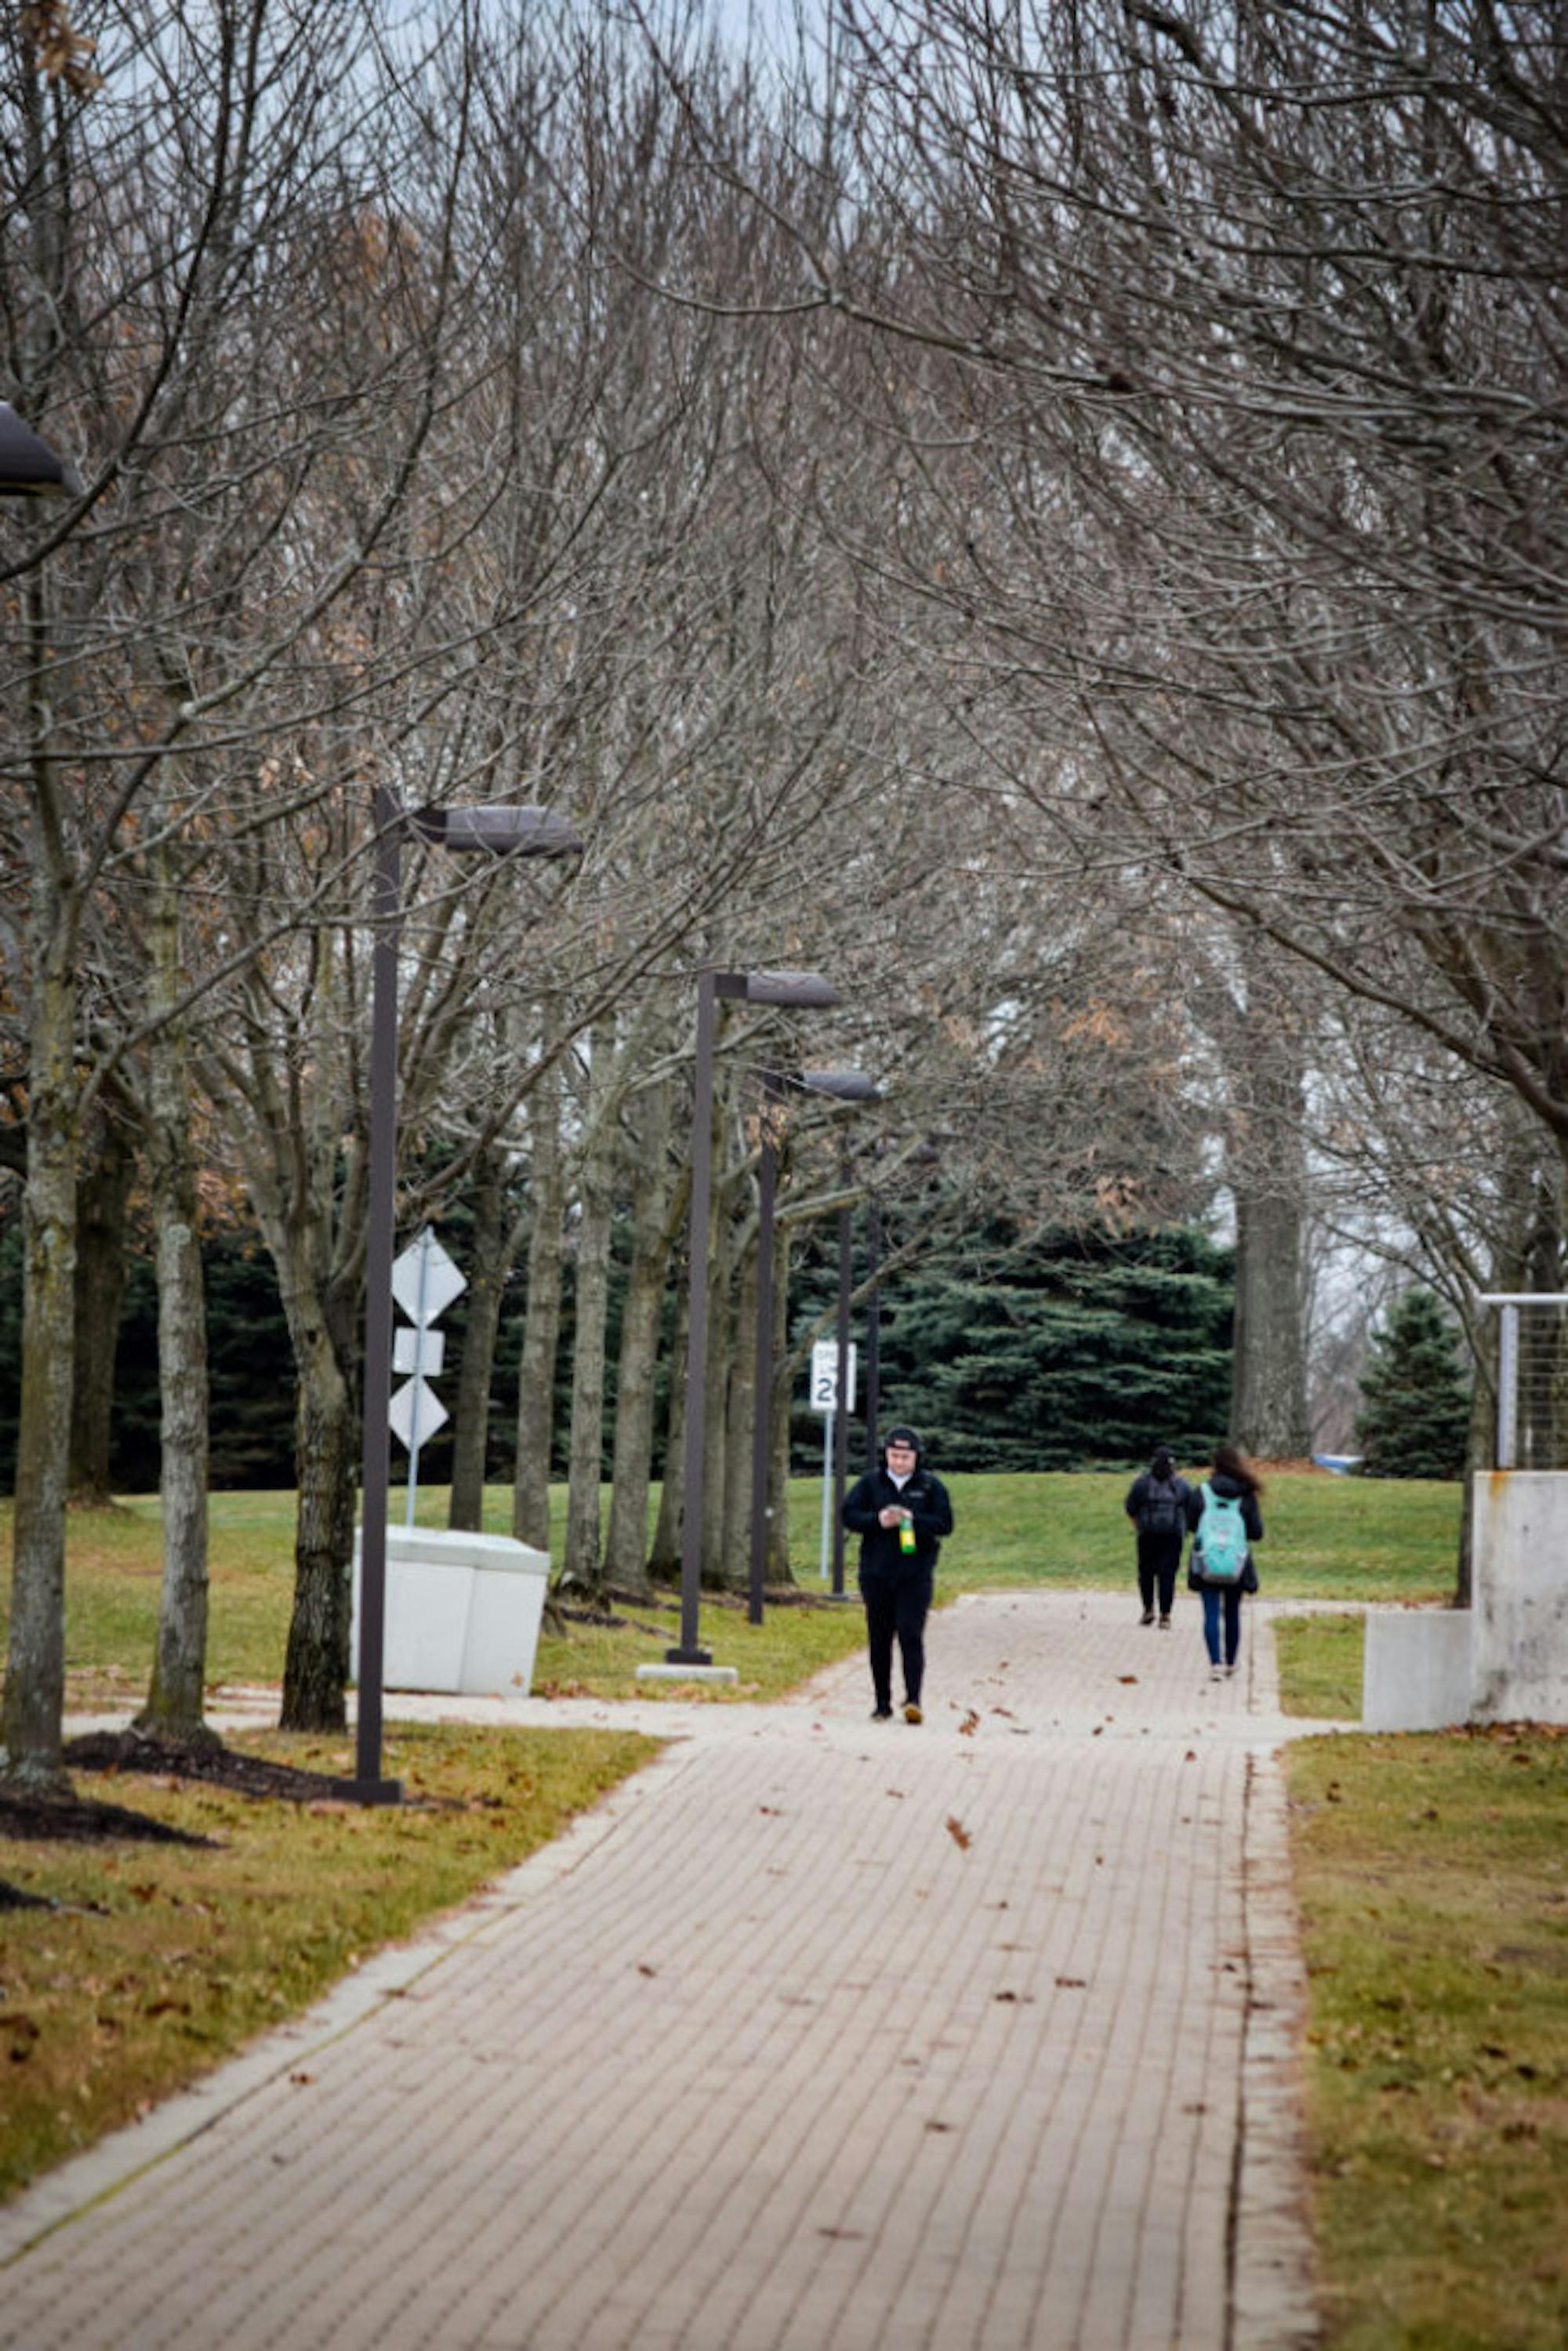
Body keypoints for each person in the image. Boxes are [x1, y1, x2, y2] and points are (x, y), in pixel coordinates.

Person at [842, 1424, 953, 1724]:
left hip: (914, 1573)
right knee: (879, 1637)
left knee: (910, 1633)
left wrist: (912, 1520)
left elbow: (945, 1523)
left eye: (905, 1456)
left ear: (916, 1457)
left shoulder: (930, 1486)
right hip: (877, 1572)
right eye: (894, 1455)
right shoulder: (871, 1483)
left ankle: (913, 1698)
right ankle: (882, 1702)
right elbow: (849, 1514)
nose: (899, 1462)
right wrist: (879, 1520)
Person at [1185, 1442, 1264, 1680]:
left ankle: (1215, 1664)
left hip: (1207, 1561)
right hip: (1236, 1563)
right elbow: (1257, 1532)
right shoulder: (1246, 1495)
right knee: (1232, 1613)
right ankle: (1231, 1661)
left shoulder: (1202, 1492)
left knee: (1210, 1613)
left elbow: (1190, 1525)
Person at [1123, 1446, 1190, 1627]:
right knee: (1167, 1575)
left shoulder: (1142, 1484)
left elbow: (1130, 1508)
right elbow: (1190, 1508)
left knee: (1146, 1574)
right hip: (1173, 1536)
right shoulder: (1181, 1485)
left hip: (1147, 1535)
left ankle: (1148, 1609)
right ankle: (1165, 1615)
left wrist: (1139, 1527)